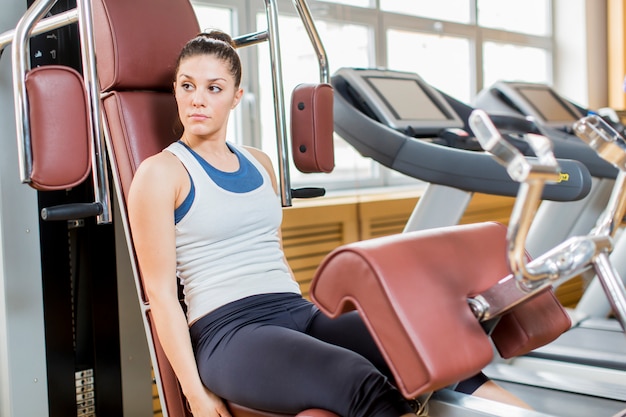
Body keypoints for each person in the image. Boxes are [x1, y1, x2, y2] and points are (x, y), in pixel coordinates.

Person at [127, 30, 531, 417]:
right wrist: (194, 394)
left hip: (297, 312)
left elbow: (273, 253)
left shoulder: (260, 163)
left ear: (236, 97)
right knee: (357, 381)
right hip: (229, 333)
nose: (197, 99)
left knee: (431, 351)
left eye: (213, 88)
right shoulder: (162, 173)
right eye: (186, 85)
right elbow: (161, 296)